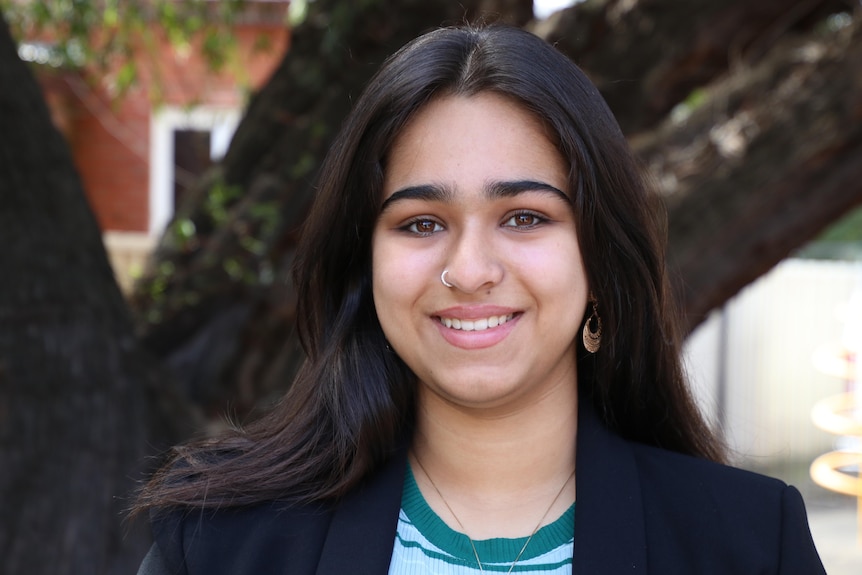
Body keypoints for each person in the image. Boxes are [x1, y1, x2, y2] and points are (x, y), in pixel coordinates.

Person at [134, 24, 826, 574]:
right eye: (421, 223)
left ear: (598, 254)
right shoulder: (219, 541)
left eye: (524, 216)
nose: (468, 270)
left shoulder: (746, 543)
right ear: (364, 261)